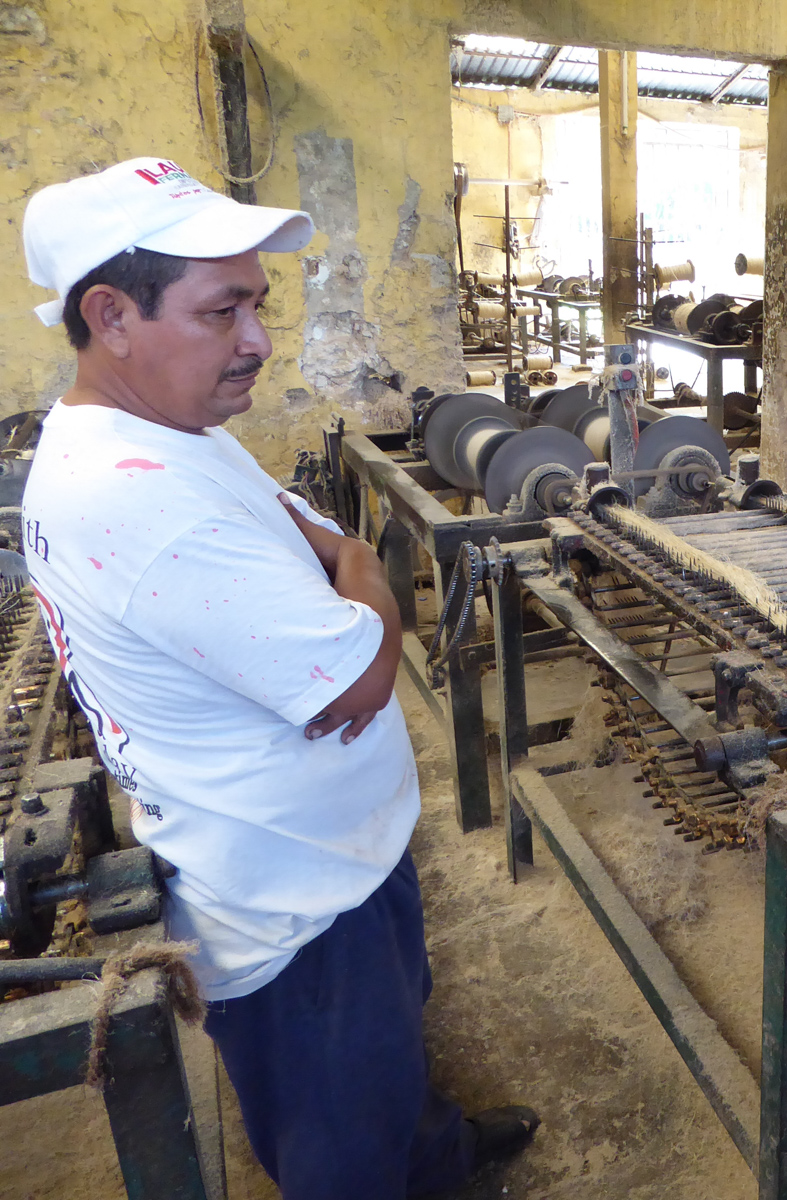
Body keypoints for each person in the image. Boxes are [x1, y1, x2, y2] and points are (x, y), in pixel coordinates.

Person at [20, 158, 537, 1198]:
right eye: (223, 312)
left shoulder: (172, 435)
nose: (257, 339)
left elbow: (316, 534)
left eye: (257, 305)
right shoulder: (131, 494)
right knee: (339, 1136)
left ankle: (435, 1156)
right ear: (111, 315)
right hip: (290, 909)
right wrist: (365, 576)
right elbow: (360, 677)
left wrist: (348, 569)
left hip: (341, 859)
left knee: (395, 1058)